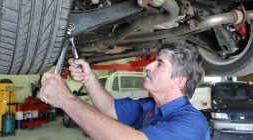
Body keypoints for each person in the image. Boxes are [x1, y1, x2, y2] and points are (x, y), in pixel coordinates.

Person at [38, 43, 210, 140]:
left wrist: (66, 99)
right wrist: (88, 79)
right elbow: (109, 107)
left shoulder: (192, 124)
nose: (148, 66)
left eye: (159, 64)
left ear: (179, 80)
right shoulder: (148, 106)